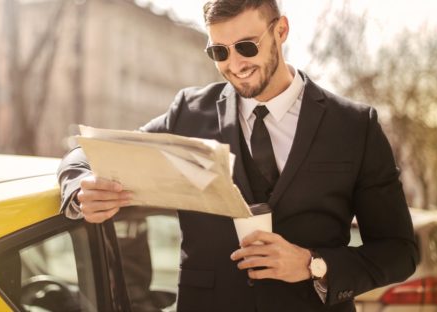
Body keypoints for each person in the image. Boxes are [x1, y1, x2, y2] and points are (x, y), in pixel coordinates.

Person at [57, 0, 418, 311]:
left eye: (246, 46)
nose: (235, 64)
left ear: (281, 31)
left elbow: (400, 251)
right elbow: (85, 155)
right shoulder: (189, 112)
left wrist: (313, 264)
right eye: (219, 51)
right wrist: (79, 188)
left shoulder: (354, 126)